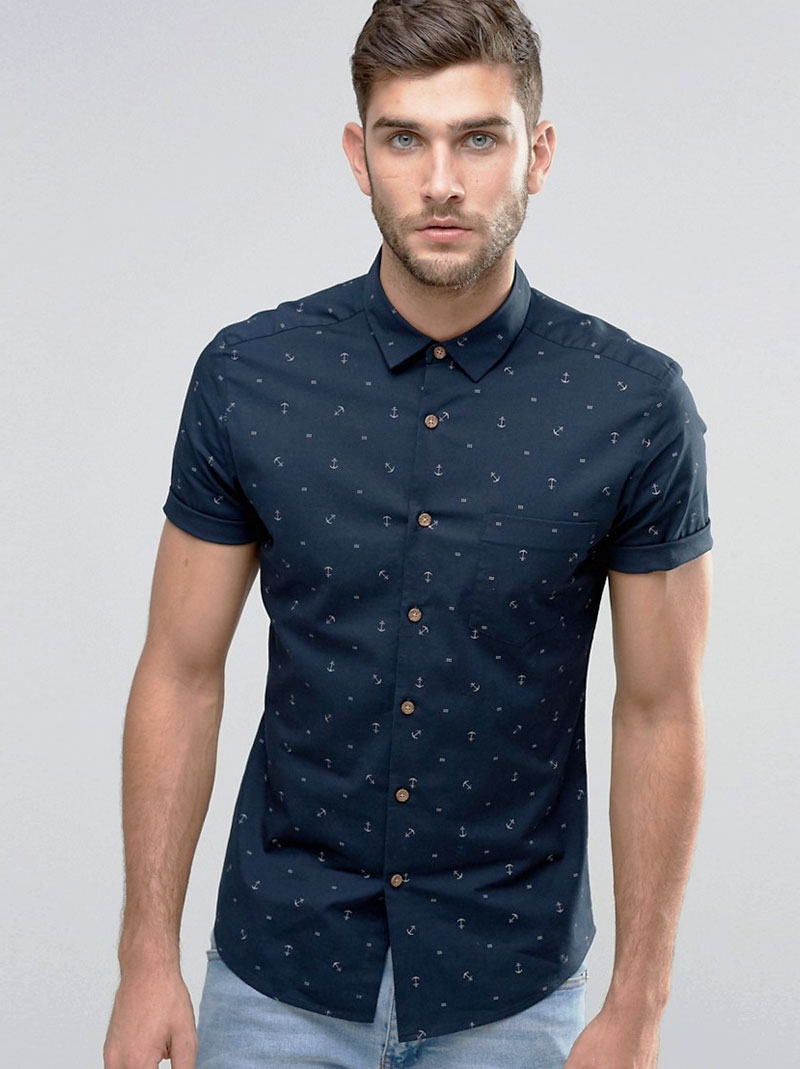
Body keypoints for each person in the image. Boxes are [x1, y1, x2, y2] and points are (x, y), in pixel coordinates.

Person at [103, 1, 713, 1066]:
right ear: (359, 155)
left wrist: (640, 1001)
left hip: (511, 987)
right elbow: (179, 671)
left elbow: (660, 709)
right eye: (403, 139)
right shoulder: (250, 376)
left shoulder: (631, 404)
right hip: (278, 971)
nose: (440, 182)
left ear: (537, 154)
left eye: (477, 138)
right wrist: (145, 956)